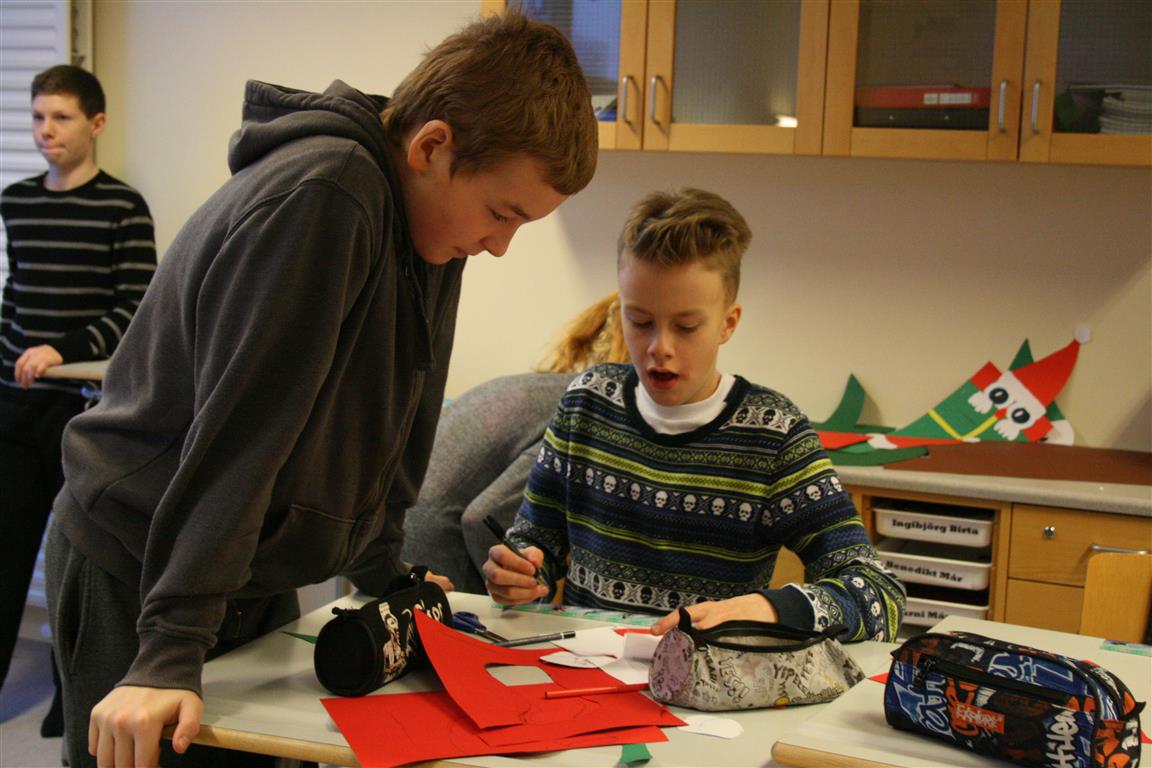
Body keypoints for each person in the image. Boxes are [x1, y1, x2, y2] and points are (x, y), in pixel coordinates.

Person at [44, 11, 597, 768]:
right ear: (431, 147)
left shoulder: (428, 228)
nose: (501, 244)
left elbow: (399, 411)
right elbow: (243, 434)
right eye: (503, 214)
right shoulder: (326, 196)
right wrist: (168, 648)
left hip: (231, 563)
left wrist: (380, 562)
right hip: (144, 564)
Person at [483, 188, 905, 641]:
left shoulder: (773, 435)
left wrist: (770, 608)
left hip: (708, 680)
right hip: (585, 667)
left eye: (686, 327)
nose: (659, 347)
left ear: (728, 323)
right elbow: (536, 544)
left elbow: (879, 596)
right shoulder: (587, 403)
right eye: (639, 321)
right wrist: (518, 573)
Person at [0, 64, 156, 738]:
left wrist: (59, 351)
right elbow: (15, 297)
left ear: (96, 124)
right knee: (6, 551)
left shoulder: (122, 207)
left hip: (85, 412)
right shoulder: (16, 201)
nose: (46, 130)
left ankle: (71, 698)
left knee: (77, 560)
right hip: (14, 405)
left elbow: (135, 311)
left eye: (60, 117)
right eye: (38, 117)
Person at [402, 292, 628, 593]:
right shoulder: (581, 412)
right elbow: (483, 520)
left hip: (396, 532)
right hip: (432, 546)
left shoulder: (542, 388)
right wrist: (530, 592)